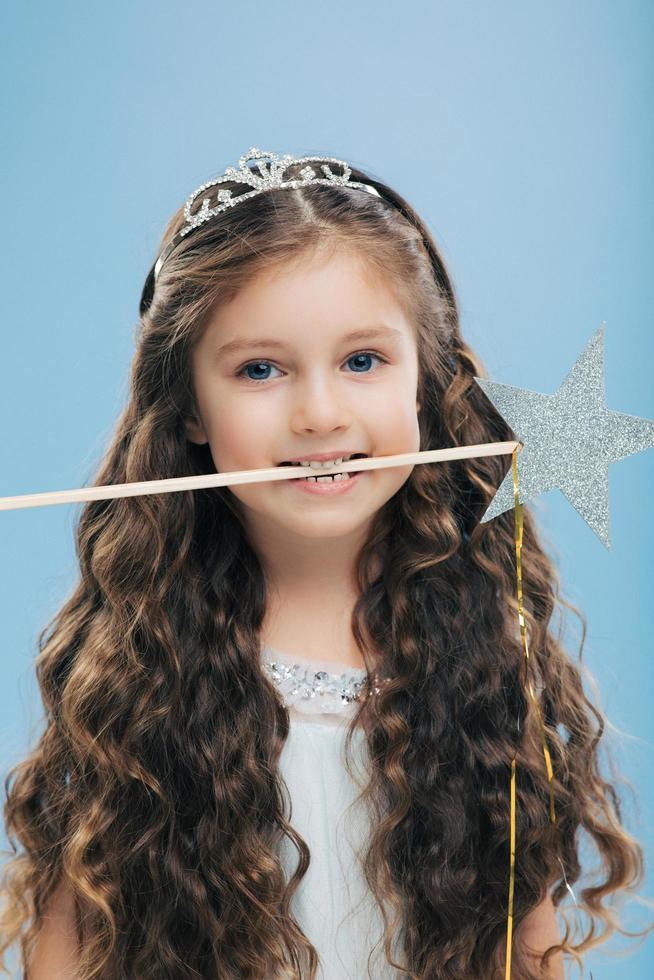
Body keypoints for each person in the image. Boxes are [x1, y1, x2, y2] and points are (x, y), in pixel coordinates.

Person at [0, 149, 646, 979]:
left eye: (363, 361)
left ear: (424, 381)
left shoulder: (484, 645)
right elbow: (68, 946)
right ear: (191, 406)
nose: (320, 413)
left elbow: (526, 945)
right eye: (260, 369)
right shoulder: (140, 663)